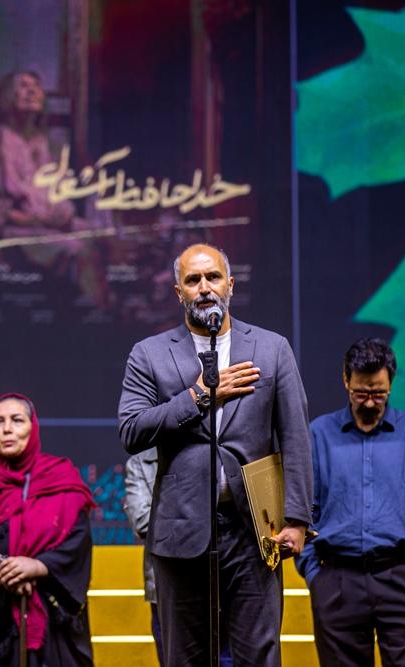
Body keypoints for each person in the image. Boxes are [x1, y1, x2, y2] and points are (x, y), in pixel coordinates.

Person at [118, 243, 313, 666]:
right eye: (193, 280)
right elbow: (132, 430)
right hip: (180, 531)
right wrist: (200, 395)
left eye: (213, 277)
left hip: (253, 531)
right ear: (179, 292)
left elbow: (296, 438)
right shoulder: (149, 353)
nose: (204, 287)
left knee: (259, 656)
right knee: (185, 658)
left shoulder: (272, 348)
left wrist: (297, 519)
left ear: (231, 284)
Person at [296, 337, 405, 667]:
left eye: (379, 393)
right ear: (345, 380)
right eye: (361, 393)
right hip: (337, 580)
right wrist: (313, 574)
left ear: (391, 384)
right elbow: (305, 509)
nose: (369, 402)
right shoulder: (318, 434)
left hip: (404, 577)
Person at [0, 393, 95, 667]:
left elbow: (77, 540)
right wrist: (3, 566)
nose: (7, 429)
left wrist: (36, 566)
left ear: (33, 427)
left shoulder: (60, 476)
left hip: (50, 618)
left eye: (17, 420)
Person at [0, 70, 107, 306]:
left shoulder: (48, 142)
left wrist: (62, 214)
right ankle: (93, 311)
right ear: (7, 96)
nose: (32, 91)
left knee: (104, 235)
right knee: (78, 248)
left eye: (36, 86)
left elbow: (61, 194)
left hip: (52, 225)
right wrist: (33, 220)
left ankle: (107, 307)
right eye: (23, 86)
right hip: (18, 230)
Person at [123, 448, 233, 667]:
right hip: (168, 583)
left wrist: (178, 516)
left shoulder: (214, 449)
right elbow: (142, 521)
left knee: (229, 660)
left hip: (220, 578)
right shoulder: (141, 462)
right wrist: (198, 517)